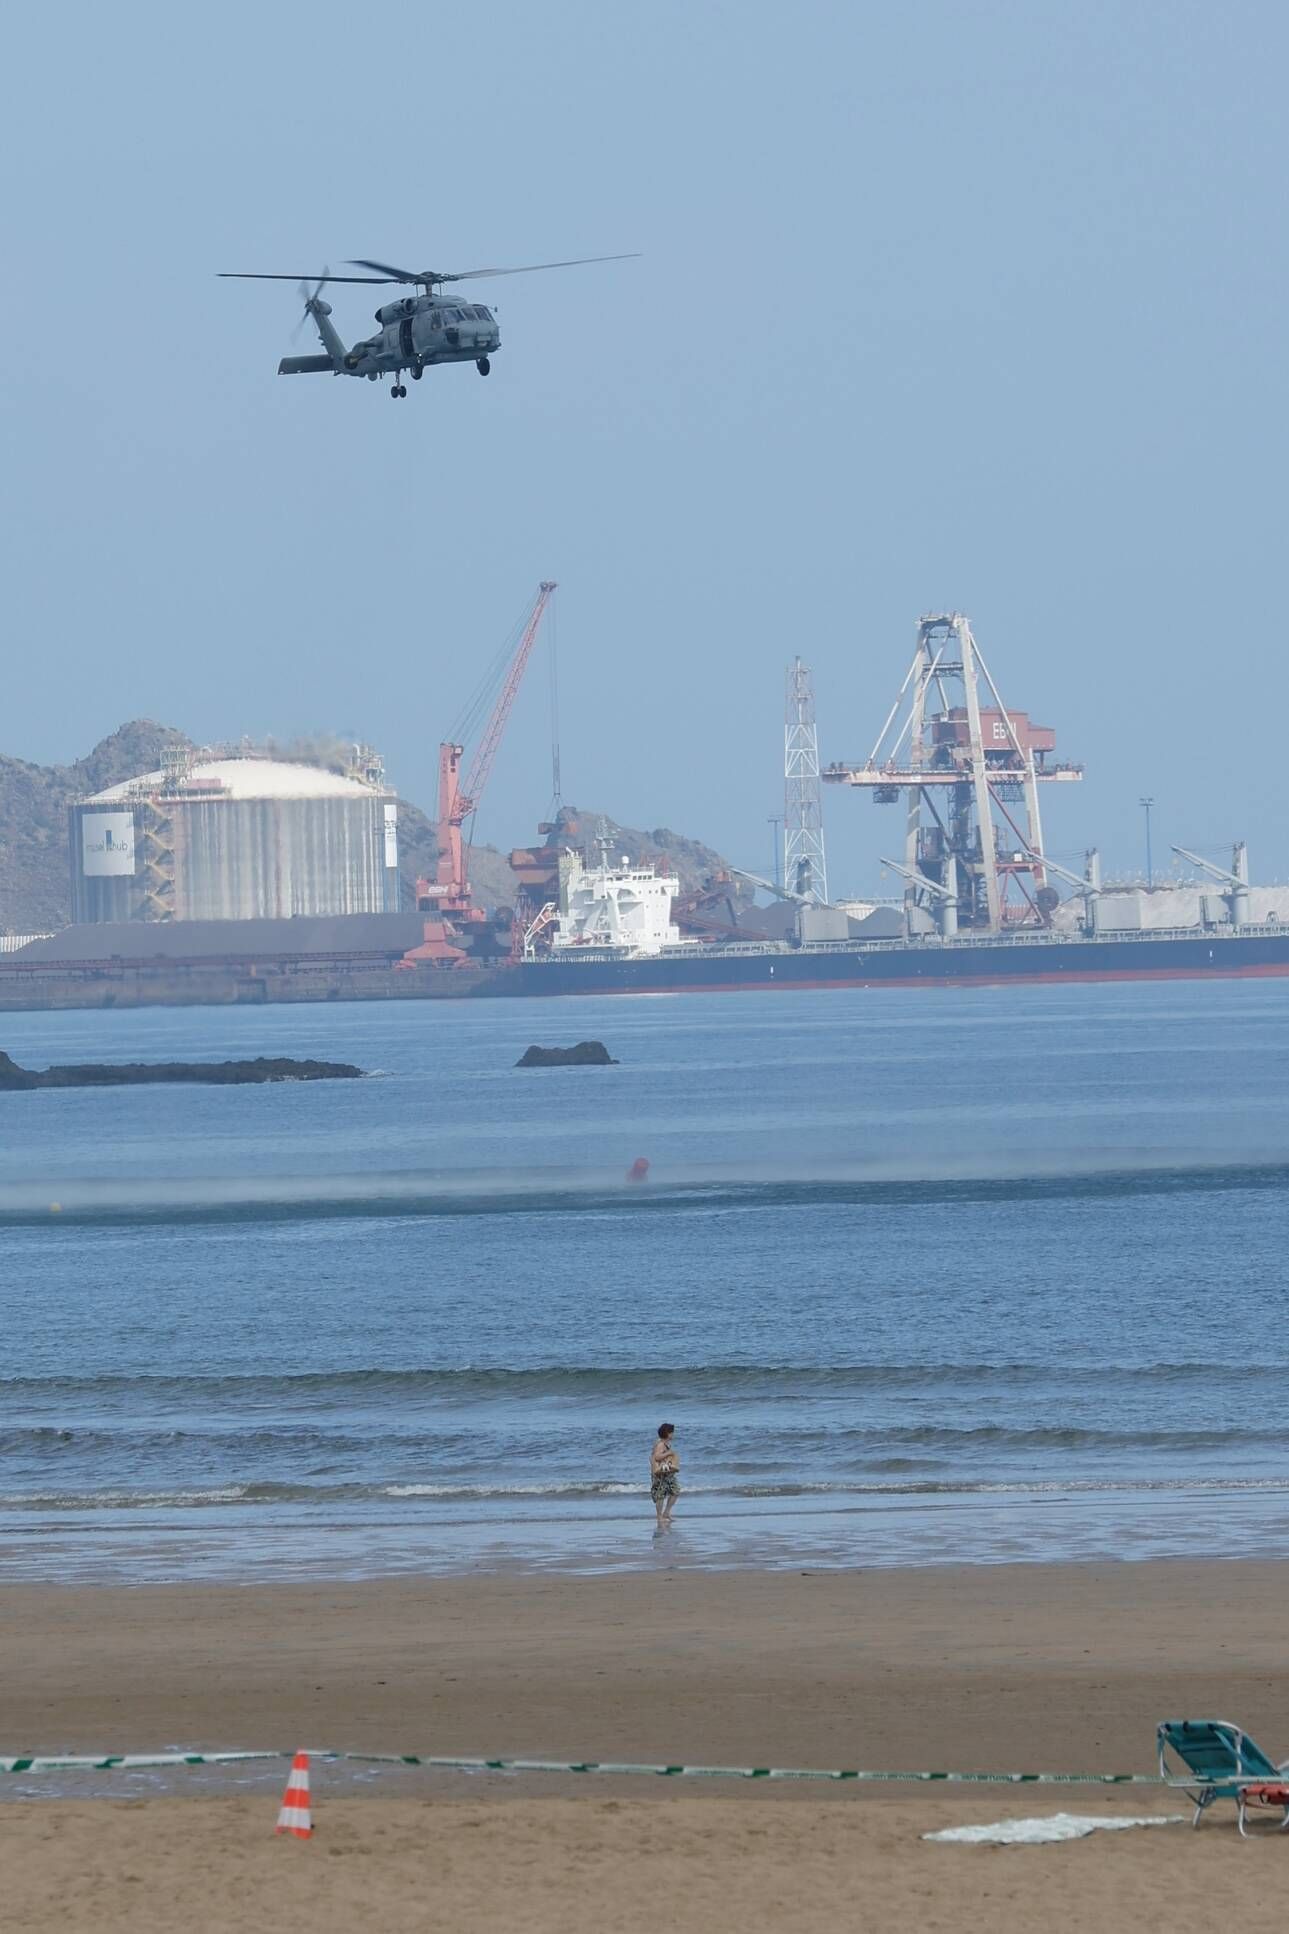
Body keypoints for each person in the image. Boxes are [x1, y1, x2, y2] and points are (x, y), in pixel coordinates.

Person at [650, 1422, 680, 1529]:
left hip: (667, 1472)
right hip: (660, 1474)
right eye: (672, 1432)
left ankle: (666, 1512)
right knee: (660, 1495)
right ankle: (659, 1516)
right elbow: (657, 1457)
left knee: (675, 1491)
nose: (673, 1434)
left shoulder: (665, 1443)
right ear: (667, 1433)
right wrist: (669, 1453)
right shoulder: (660, 1444)